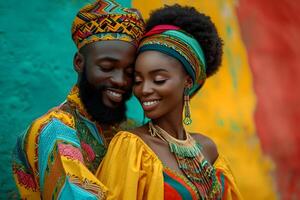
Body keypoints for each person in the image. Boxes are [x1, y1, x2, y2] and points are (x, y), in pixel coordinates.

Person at [97, 4, 243, 200]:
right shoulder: (133, 148)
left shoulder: (208, 148)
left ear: (188, 82)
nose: (144, 90)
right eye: (138, 81)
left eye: (159, 80)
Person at [11, 0, 145, 199]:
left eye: (130, 72)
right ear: (79, 63)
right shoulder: (53, 129)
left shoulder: (126, 130)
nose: (121, 81)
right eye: (107, 67)